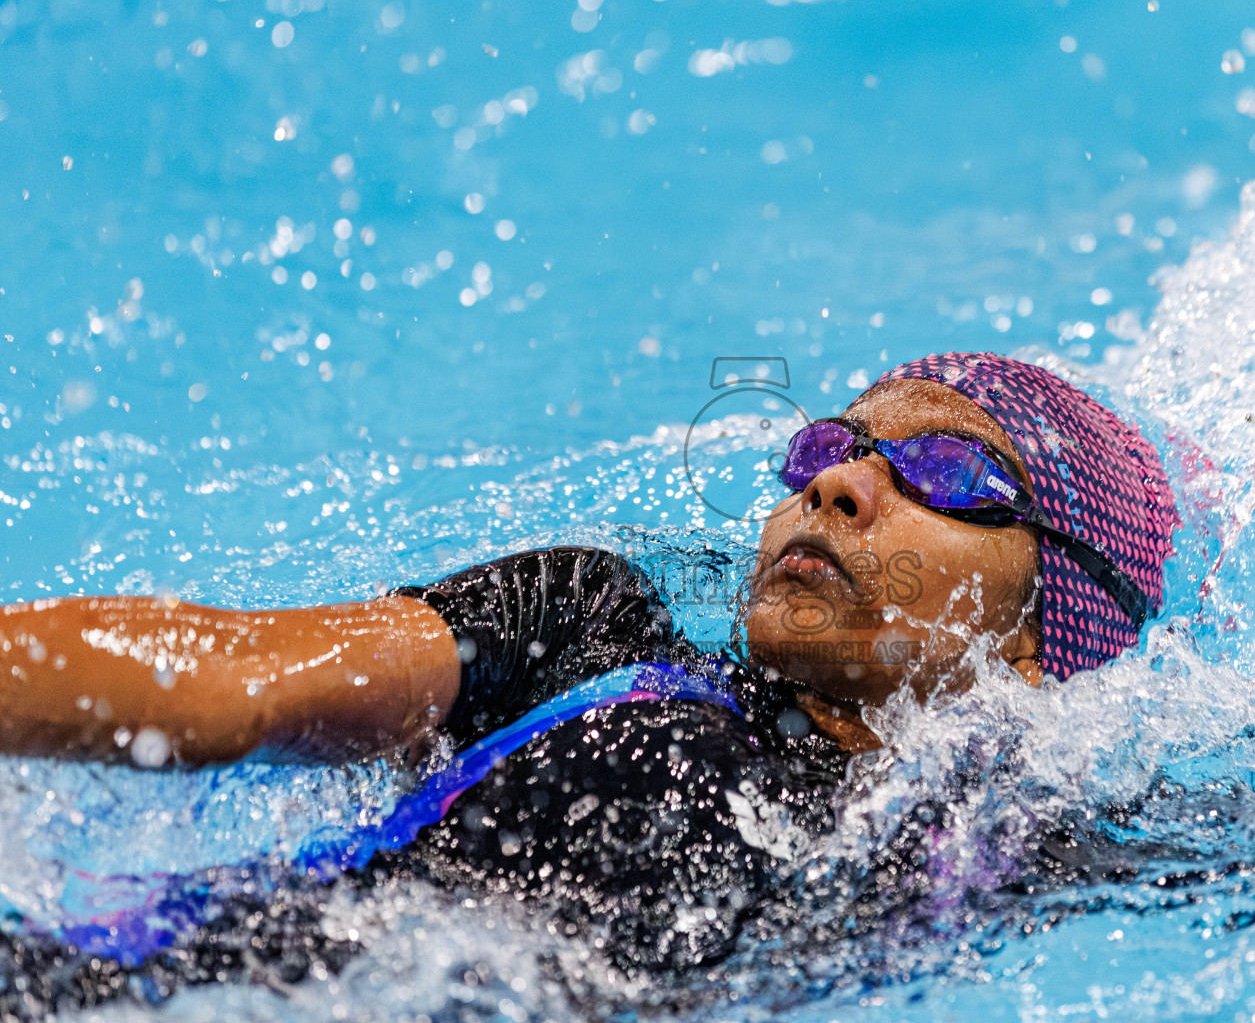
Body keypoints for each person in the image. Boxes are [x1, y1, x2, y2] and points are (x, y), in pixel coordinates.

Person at [0, 352, 1179, 1004]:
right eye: (832, 446)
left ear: (1041, 637)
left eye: (948, 472)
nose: (840, 485)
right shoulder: (593, 628)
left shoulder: (1021, 833)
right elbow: (232, 682)